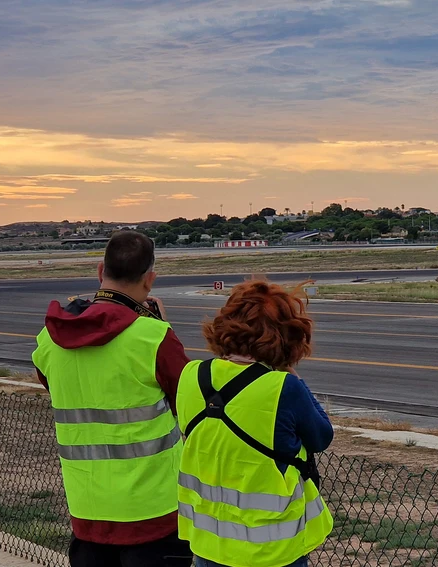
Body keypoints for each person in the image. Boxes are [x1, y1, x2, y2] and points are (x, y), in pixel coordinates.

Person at [31, 231, 192, 567]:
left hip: (87, 510)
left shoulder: (50, 338)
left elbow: (52, 384)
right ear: (150, 280)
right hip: (154, 512)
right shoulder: (154, 337)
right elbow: (189, 402)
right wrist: (163, 327)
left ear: (100, 271)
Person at [177, 280, 334, 567]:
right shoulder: (283, 388)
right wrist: (290, 372)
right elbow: (321, 437)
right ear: (290, 336)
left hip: (209, 542)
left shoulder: (190, 375)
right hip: (272, 550)